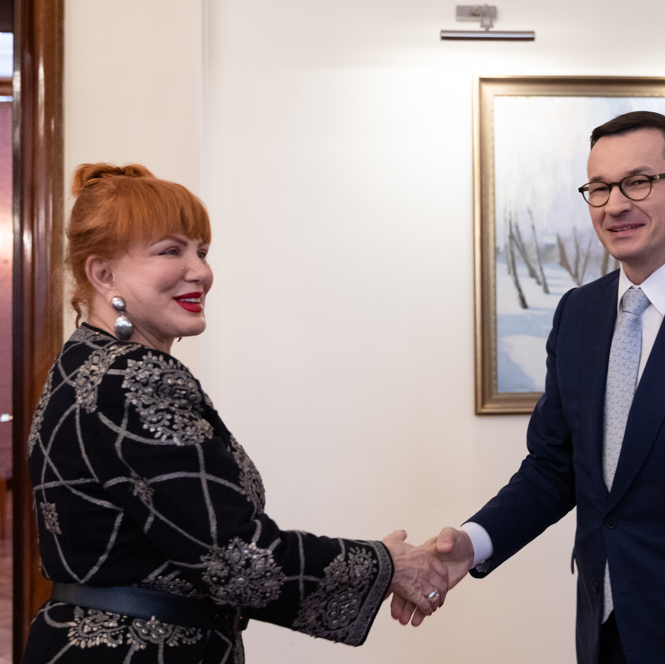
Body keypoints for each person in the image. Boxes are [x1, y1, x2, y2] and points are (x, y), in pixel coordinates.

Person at [394, 112, 665, 663]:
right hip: (605, 635)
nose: (614, 205)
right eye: (600, 188)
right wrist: (471, 544)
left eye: (638, 181)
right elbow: (554, 469)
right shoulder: (578, 314)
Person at [23, 163, 447, 664]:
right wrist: (386, 564)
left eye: (201, 251)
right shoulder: (135, 377)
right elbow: (237, 558)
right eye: (171, 251)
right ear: (103, 274)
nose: (200, 271)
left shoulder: (82, 362)